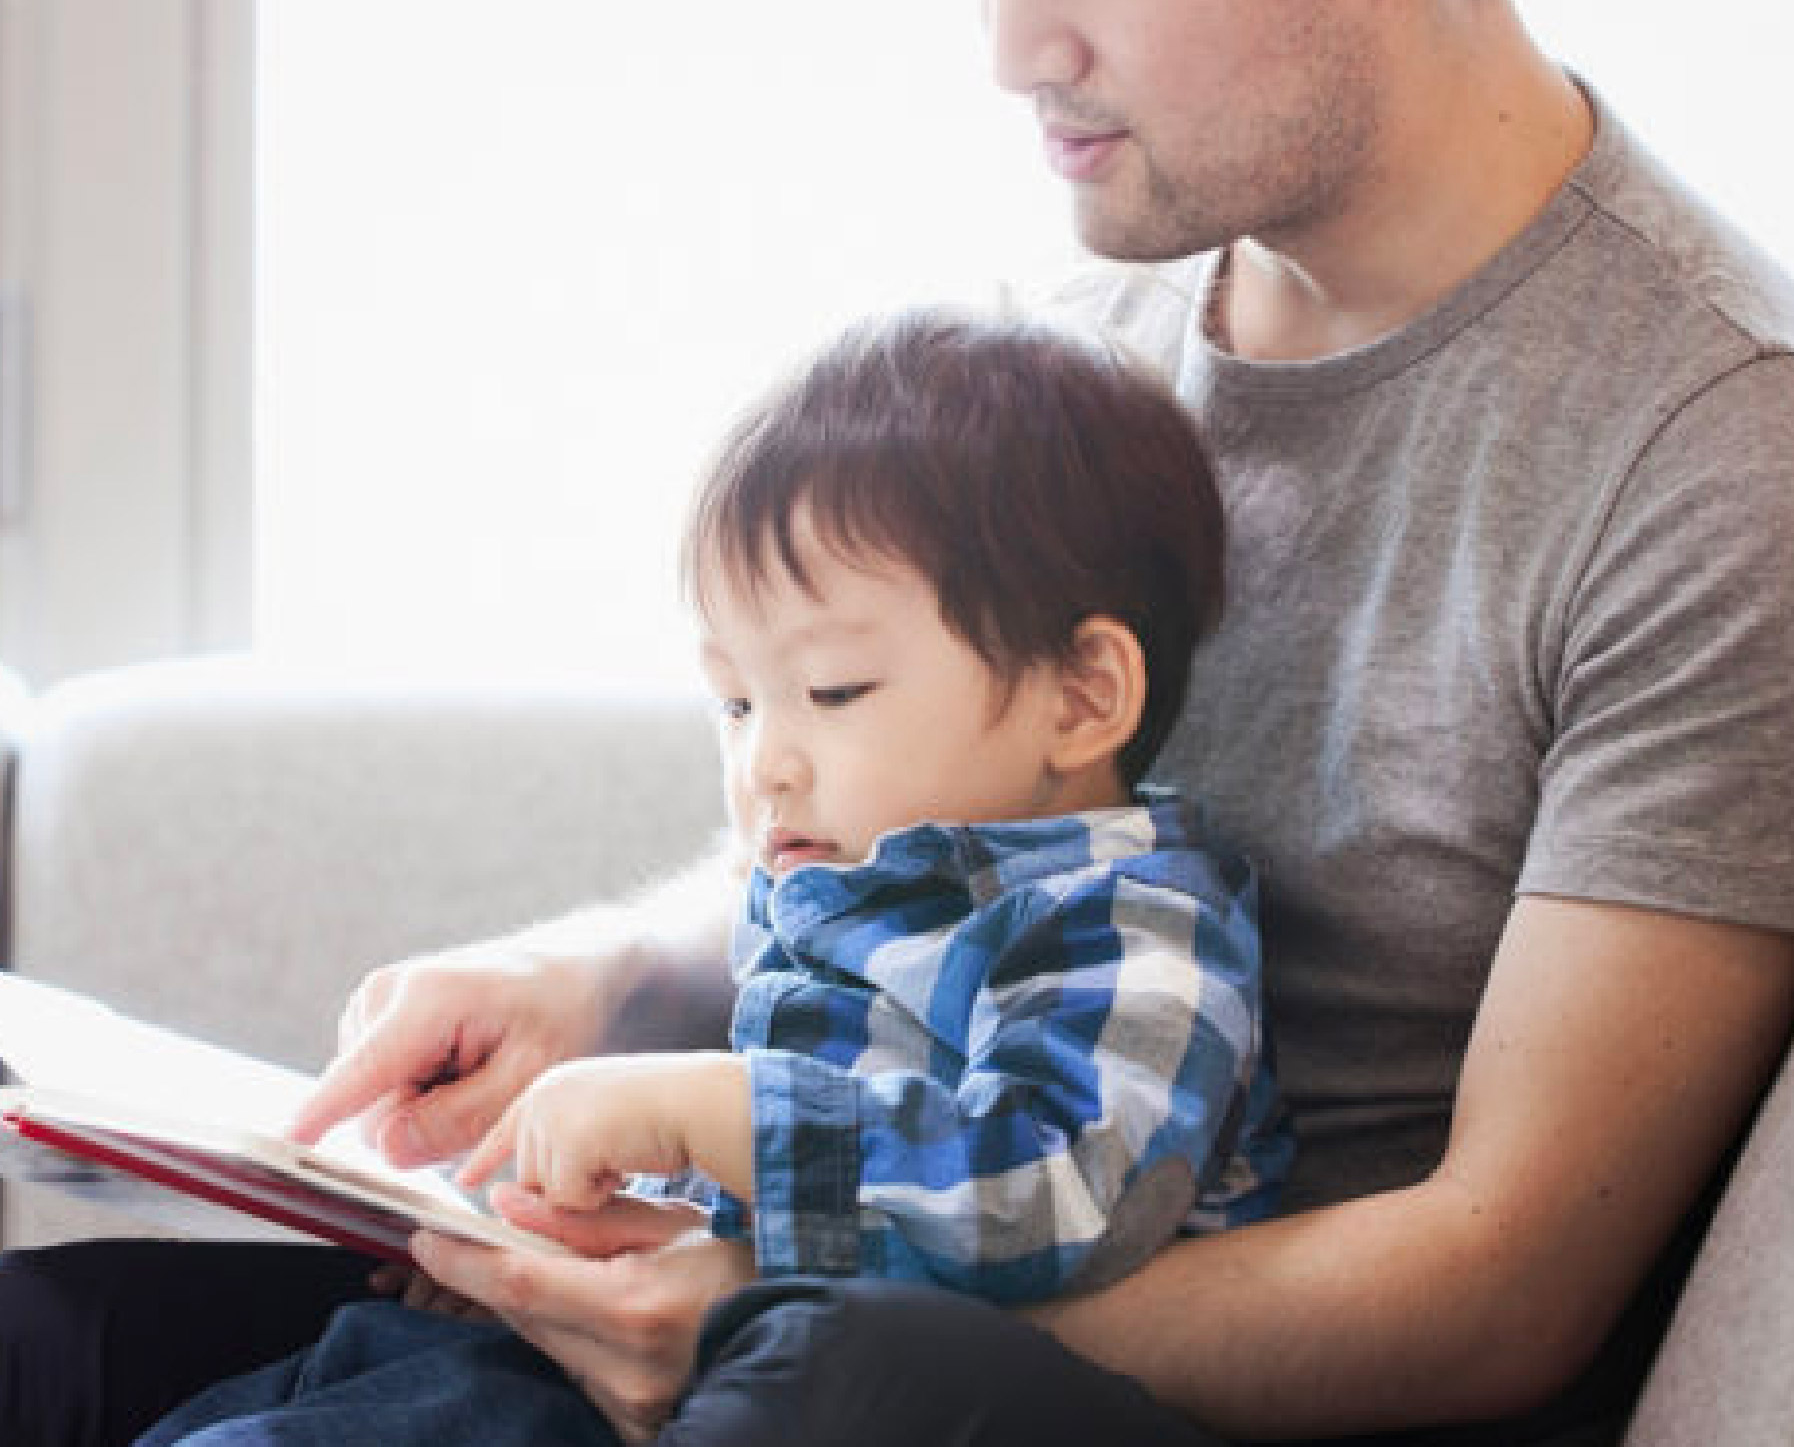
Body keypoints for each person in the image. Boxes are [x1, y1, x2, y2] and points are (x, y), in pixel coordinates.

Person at [4, 0, 1794, 1445]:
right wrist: (593, 983)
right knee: (83, 1326)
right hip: (843, 1285)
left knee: (822, 1385)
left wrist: (762, 1310)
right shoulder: (1093, 339)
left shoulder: (1713, 452)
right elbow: (926, 846)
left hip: (1123, 1382)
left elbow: (1503, 1291)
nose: (1014, 45)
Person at [128, 308, 1291, 1446]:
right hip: (681, 1360)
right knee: (271, 1376)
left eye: (831, 692)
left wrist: (708, 1112)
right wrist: (549, 1245)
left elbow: (1056, 1190)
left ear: (1082, 697)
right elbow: (786, 1213)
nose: (763, 764)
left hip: (914, 1403)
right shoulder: (839, 886)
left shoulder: (1130, 928)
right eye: (734, 703)